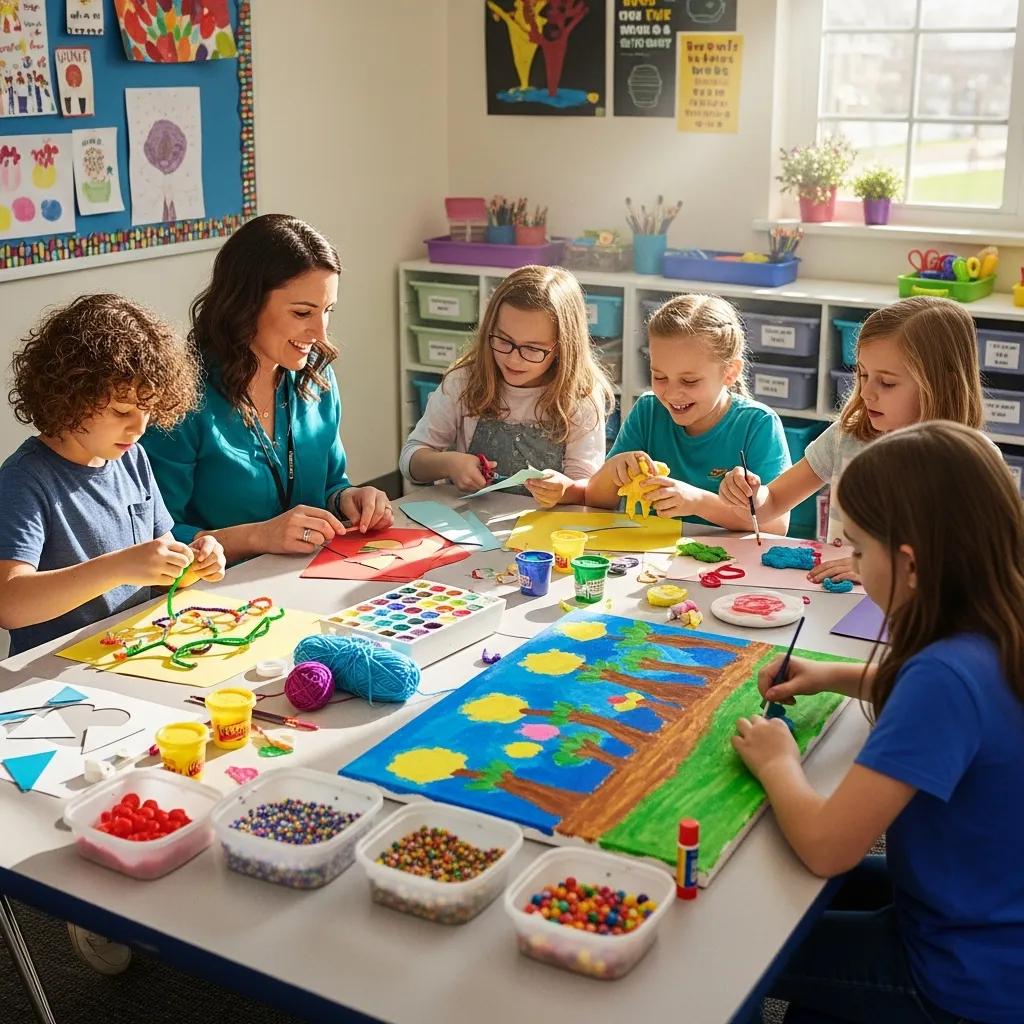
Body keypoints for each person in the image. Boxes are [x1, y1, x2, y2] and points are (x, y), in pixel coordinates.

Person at [734, 422, 1024, 1024]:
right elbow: (964, 713)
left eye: (860, 551)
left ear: (910, 565)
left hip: (958, 975)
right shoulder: (999, 625)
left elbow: (827, 848)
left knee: (736, 948)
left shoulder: (942, 677)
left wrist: (777, 761)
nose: (857, 568)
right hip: (989, 913)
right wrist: (833, 675)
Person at [142, 214, 393, 564]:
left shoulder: (315, 377)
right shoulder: (183, 397)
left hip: (310, 575)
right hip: (221, 588)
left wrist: (349, 499)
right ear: (247, 305)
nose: (320, 333)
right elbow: (156, 538)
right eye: (302, 313)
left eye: (327, 311)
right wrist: (258, 536)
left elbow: (332, 484)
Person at [0, 294, 225, 658]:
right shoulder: (25, 478)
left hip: (128, 654)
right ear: (71, 396)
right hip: (52, 673)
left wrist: (194, 563)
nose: (139, 427)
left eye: (147, 410)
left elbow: (162, 572)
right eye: (122, 412)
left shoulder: (132, 458)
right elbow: (9, 604)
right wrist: (118, 568)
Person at [720, 296, 984, 581]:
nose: (866, 393)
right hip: (839, 595)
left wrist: (881, 569)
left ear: (944, 385)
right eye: (863, 374)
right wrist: (751, 496)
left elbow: (975, 563)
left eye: (887, 382)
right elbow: (773, 501)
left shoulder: (971, 461)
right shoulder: (846, 437)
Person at [400, 264, 614, 506]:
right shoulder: (464, 381)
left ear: (563, 347)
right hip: (470, 521)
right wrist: (448, 464)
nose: (513, 359)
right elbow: (410, 460)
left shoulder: (581, 396)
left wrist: (565, 489)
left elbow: (588, 489)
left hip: (546, 525)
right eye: (503, 340)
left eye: (532, 348)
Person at [586, 293, 791, 529]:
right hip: (650, 548)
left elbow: (776, 525)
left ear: (730, 372)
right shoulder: (648, 411)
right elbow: (594, 502)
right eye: (659, 377)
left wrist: (698, 503)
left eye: (689, 381)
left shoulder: (758, 424)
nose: (672, 394)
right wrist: (614, 470)